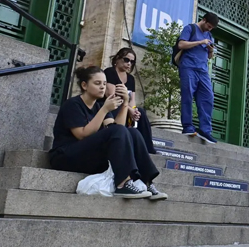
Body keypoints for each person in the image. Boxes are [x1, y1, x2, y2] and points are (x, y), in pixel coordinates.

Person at [49, 66, 167, 200]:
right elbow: (82, 134)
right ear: (84, 85)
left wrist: (125, 104)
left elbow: (118, 129)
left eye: (104, 84)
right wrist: (105, 110)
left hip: (88, 156)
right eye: (97, 83)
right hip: (65, 156)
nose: (102, 87)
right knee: (119, 131)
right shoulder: (73, 104)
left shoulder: (99, 106)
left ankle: (147, 182)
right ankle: (122, 184)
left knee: (132, 132)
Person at [100, 47, 157, 154]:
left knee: (141, 113)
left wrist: (134, 111)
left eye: (132, 61)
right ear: (117, 58)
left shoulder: (131, 78)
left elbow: (132, 100)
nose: (129, 63)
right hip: (110, 108)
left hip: (126, 109)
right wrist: (129, 110)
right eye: (126, 60)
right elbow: (111, 96)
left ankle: (148, 148)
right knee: (117, 108)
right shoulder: (110, 72)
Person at [177, 12, 219, 144]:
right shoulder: (191, 28)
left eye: (212, 28)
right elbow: (181, 45)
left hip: (202, 70)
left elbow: (209, 56)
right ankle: (188, 126)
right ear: (204, 20)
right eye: (209, 26)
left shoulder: (209, 34)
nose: (209, 29)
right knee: (188, 95)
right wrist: (200, 41)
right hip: (188, 67)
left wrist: (210, 50)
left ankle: (205, 130)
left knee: (208, 97)